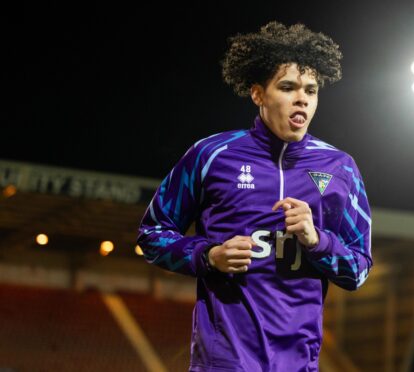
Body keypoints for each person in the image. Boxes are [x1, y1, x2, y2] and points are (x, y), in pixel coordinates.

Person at [137, 21, 372, 372]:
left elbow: (358, 269)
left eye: (311, 89)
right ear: (258, 94)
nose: (302, 98)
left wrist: (316, 240)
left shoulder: (340, 168)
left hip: (299, 364)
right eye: (288, 87)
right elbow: (152, 235)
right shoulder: (210, 155)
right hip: (224, 362)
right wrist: (208, 255)